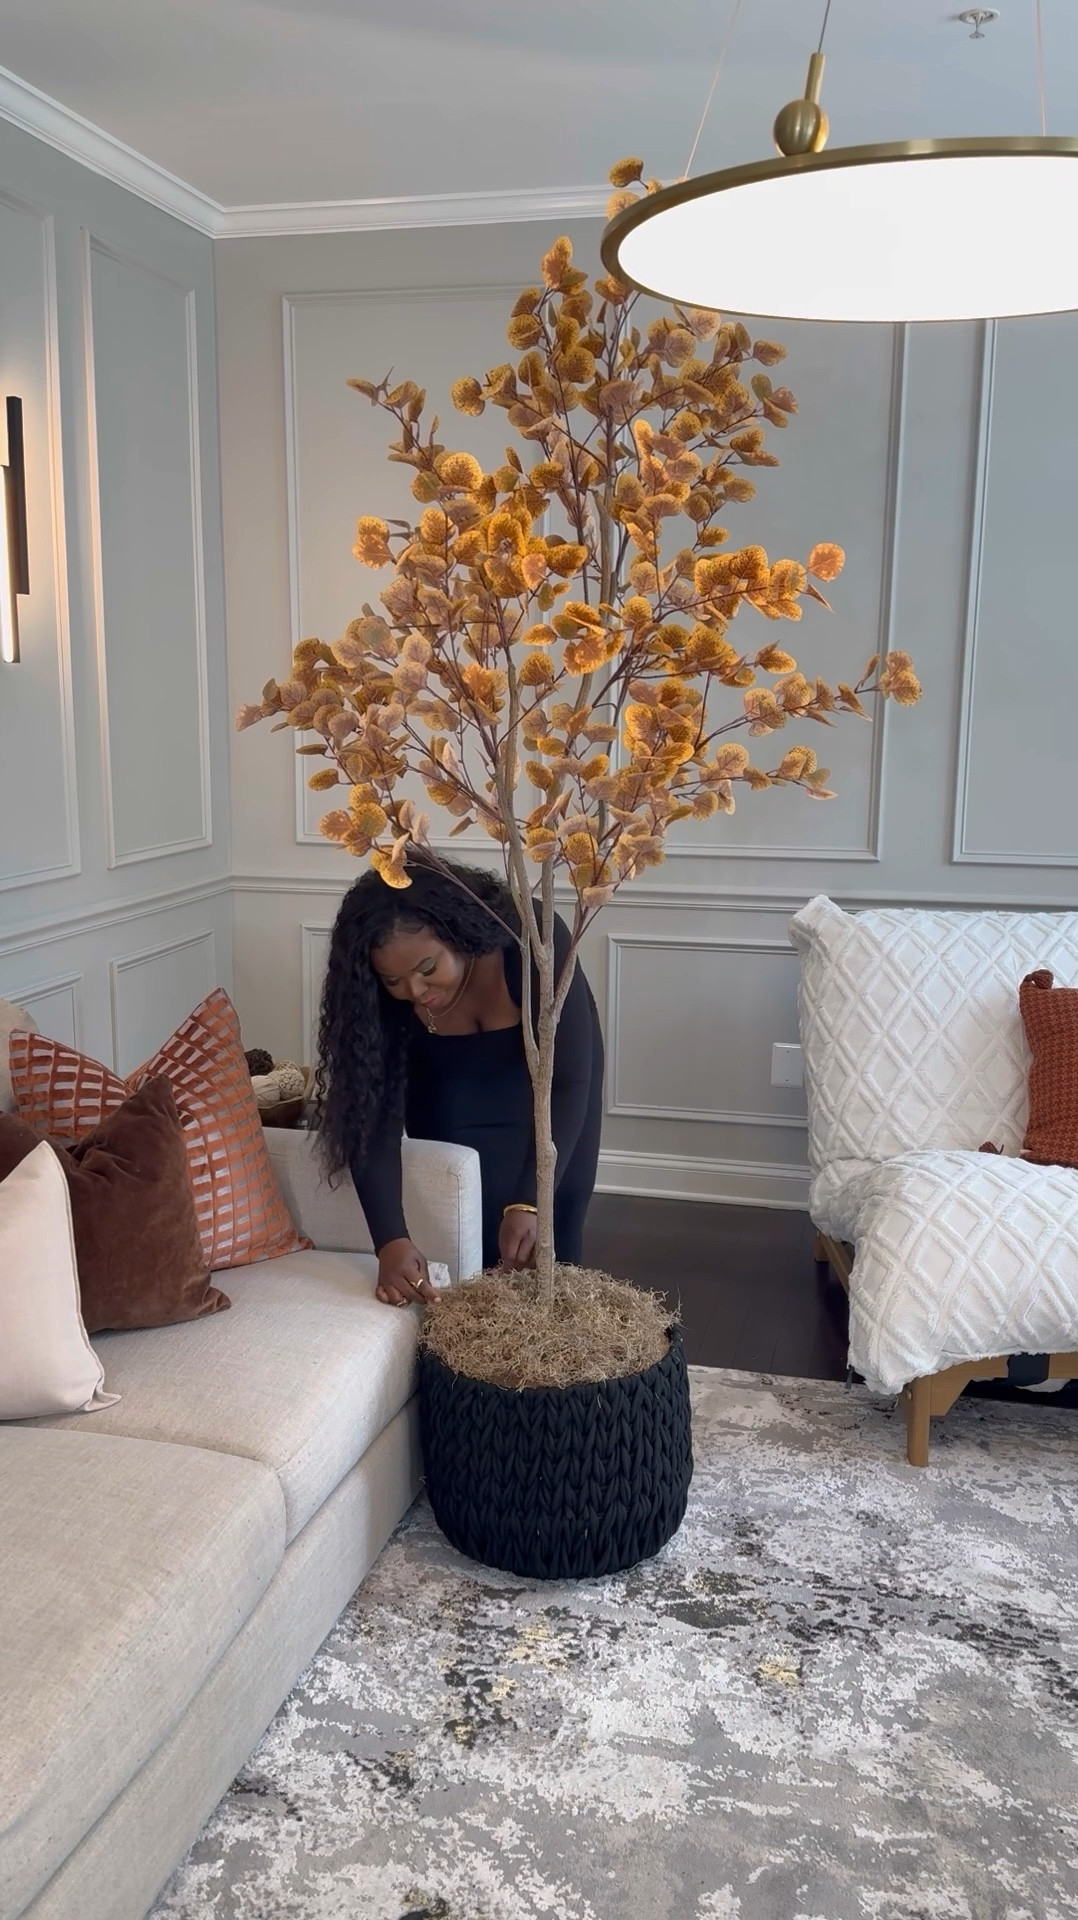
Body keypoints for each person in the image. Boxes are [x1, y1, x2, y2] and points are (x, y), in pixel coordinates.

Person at [315, 856, 604, 1308]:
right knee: (471, 1239)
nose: (414, 990)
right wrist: (389, 1241)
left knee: (549, 1239)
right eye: (395, 979)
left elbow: (568, 1081)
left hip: (555, 1092)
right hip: (447, 1088)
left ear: (458, 930)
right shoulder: (383, 1000)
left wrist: (528, 1201)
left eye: (428, 968)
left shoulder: (532, 940)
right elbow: (374, 1121)